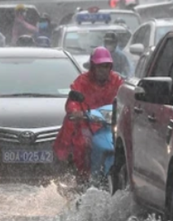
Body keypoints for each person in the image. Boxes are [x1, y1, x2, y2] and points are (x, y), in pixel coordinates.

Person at [53, 47, 125, 180]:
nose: (103, 70)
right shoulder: (81, 81)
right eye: (99, 66)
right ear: (93, 67)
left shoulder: (117, 81)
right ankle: (82, 176)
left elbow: (124, 98)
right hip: (87, 123)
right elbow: (72, 102)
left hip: (109, 124)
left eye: (106, 66)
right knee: (81, 144)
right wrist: (77, 112)